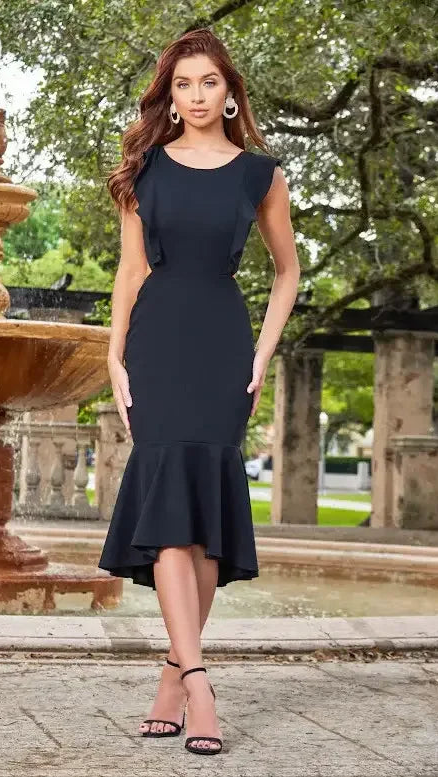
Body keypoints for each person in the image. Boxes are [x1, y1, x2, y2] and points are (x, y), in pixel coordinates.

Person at [98, 28, 300, 756]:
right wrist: (114, 356)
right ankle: (201, 683)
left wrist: (263, 352)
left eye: (208, 82)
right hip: (155, 345)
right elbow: (130, 273)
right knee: (167, 510)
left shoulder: (260, 175)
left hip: (222, 346)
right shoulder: (142, 171)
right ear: (171, 96)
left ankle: (171, 674)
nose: (195, 95)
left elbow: (287, 272)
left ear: (229, 91)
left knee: (207, 515)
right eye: (183, 84)